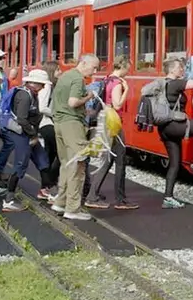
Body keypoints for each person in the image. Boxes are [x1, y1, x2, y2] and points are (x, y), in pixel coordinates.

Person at [155, 56, 193, 208]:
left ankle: (168, 198)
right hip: (175, 126)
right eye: (179, 67)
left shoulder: (163, 84)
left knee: (174, 164)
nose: (182, 70)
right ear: (171, 70)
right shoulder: (176, 83)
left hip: (164, 129)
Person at [50, 53, 99, 221]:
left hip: (59, 123)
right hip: (72, 124)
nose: (94, 71)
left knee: (65, 164)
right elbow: (72, 102)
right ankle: (73, 208)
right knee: (78, 165)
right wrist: (89, 96)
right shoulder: (78, 79)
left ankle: (60, 202)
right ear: (84, 63)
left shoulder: (65, 76)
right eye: (94, 67)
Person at [0, 68, 51, 213]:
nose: (44, 87)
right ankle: (8, 200)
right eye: (42, 84)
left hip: (27, 133)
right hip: (23, 134)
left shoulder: (30, 93)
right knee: (20, 164)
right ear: (35, 83)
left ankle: (45, 189)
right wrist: (33, 134)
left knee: (42, 159)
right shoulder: (25, 96)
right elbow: (22, 119)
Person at [85, 57, 137, 210]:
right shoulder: (117, 83)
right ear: (124, 66)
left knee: (108, 159)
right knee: (119, 160)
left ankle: (93, 195)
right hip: (113, 123)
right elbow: (117, 104)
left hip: (106, 121)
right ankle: (120, 200)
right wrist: (126, 89)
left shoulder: (107, 80)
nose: (128, 71)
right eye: (128, 68)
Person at [34, 62, 61, 201]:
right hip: (47, 124)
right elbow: (42, 107)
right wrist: (56, 113)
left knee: (50, 155)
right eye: (58, 70)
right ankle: (49, 185)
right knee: (59, 154)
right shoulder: (48, 86)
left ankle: (45, 187)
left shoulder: (51, 86)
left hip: (47, 124)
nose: (60, 72)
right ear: (52, 71)